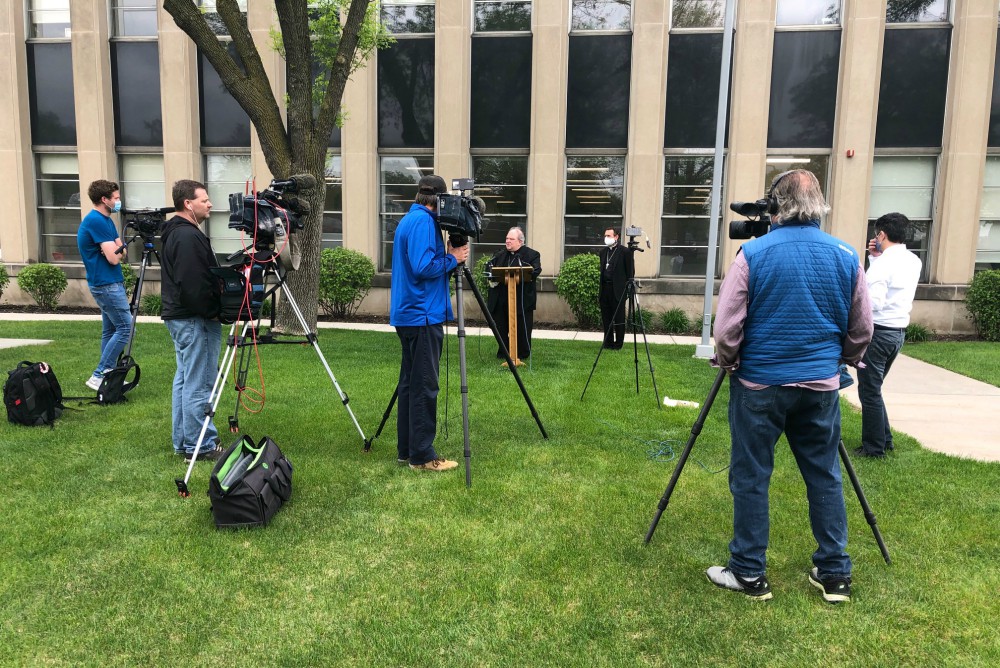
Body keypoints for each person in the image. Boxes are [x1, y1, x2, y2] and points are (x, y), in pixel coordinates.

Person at [708, 169, 873, 604]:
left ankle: (748, 571)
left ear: (776, 206)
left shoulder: (753, 254)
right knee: (824, 474)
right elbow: (862, 328)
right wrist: (843, 360)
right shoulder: (846, 254)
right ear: (820, 205)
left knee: (751, 476)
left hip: (759, 384)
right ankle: (835, 573)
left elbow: (726, 328)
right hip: (819, 386)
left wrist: (727, 361)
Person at [390, 174, 469, 472]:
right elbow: (423, 267)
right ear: (438, 201)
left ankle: (406, 450)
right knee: (425, 386)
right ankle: (422, 457)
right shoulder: (424, 222)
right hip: (422, 314)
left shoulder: (409, 220)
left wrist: (447, 258)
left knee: (410, 385)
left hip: (410, 313)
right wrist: (452, 258)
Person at [159, 180, 224, 462]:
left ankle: (185, 442)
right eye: (204, 200)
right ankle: (202, 446)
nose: (209, 204)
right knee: (199, 383)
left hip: (181, 317)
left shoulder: (176, 232)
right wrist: (212, 311)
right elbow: (193, 283)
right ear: (188, 203)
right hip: (194, 318)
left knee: (186, 380)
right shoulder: (187, 236)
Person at [855, 212, 922, 458]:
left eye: (877, 235)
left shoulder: (884, 264)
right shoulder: (914, 261)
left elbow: (873, 303)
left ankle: (874, 448)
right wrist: (876, 258)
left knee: (869, 391)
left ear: (881, 235)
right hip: (897, 333)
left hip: (878, 334)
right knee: (875, 387)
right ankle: (885, 439)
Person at [77, 179, 130, 391]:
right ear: (104, 199)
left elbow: (122, 252)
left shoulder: (107, 220)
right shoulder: (96, 221)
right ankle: (100, 373)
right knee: (126, 327)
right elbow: (114, 258)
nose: (119, 201)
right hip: (105, 283)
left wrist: (116, 249)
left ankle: (107, 375)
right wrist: (116, 249)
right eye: (115, 198)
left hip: (111, 281)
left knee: (110, 332)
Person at [486, 227, 542, 359]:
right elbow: (489, 267)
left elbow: (535, 270)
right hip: (501, 298)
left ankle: (522, 353)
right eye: (506, 238)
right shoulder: (499, 254)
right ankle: (504, 351)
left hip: (521, 299)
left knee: (522, 328)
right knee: (499, 326)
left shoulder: (532, 255)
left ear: (520, 241)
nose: (508, 241)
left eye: (511, 239)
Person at [598, 227, 633, 349]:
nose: (606, 238)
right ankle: (608, 343)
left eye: (609, 236)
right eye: (605, 236)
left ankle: (618, 344)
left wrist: (627, 289)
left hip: (618, 290)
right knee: (606, 318)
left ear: (616, 237)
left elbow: (630, 272)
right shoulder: (603, 252)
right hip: (605, 289)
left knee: (618, 318)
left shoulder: (625, 252)